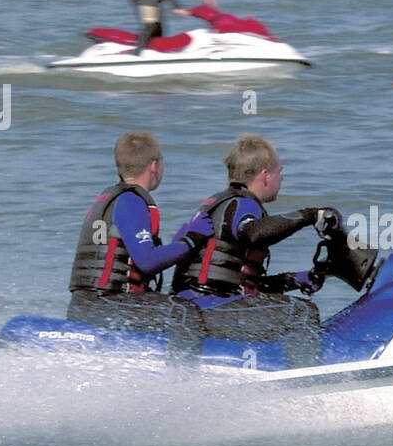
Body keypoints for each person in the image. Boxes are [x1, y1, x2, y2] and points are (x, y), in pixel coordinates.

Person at [171, 135, 337, 367]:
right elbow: (254, 233)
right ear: (265, 175)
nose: (281, 179)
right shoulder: (242, 204)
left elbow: (233, 280)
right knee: (300, 311)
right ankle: (307, 382)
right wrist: (309, 216)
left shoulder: (219, 202)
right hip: (207, 308)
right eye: (280, 172)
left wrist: (292, 280)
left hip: (200, 304)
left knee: (284, 305)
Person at [68, 131, 213, 341]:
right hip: (107, 305)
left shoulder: (111, 198)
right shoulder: (131, 201)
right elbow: (147, 261)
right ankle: (181, 364)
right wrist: (191, 240)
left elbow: (135, 260)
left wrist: (177, 245)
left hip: (87, 305)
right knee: (182, 312)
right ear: (154, 166)